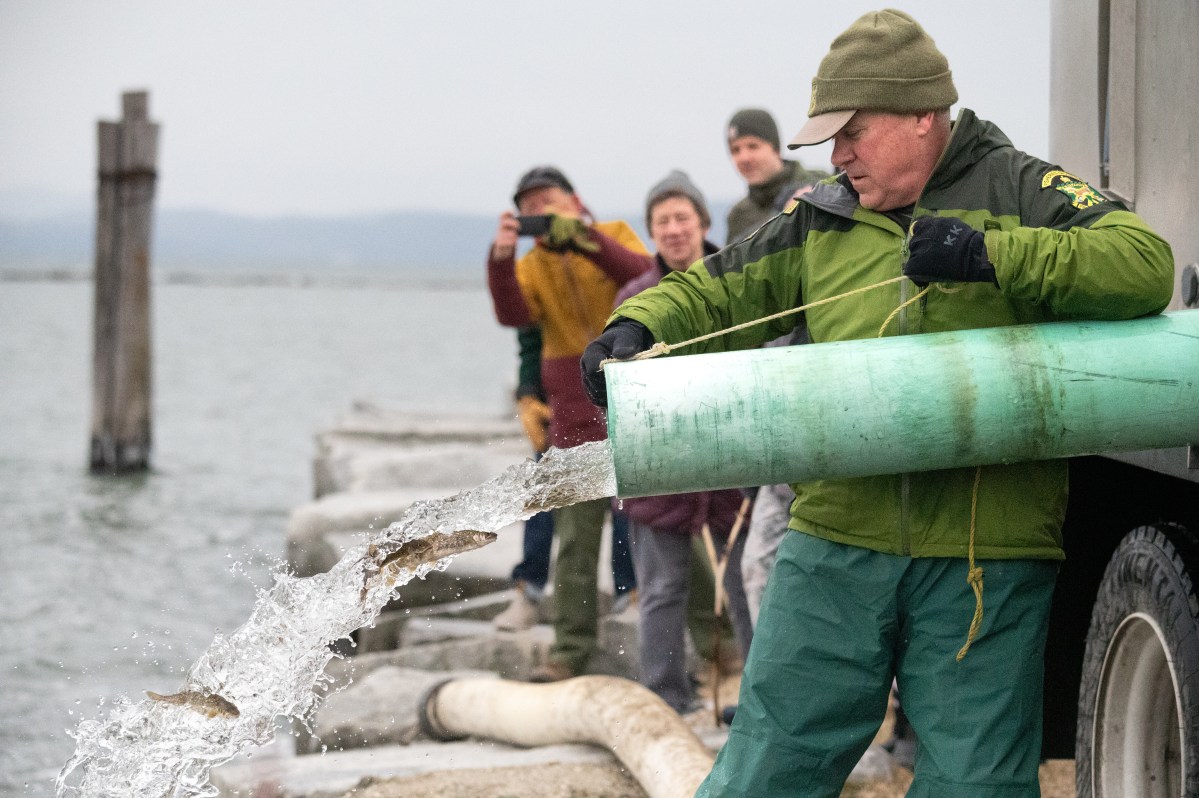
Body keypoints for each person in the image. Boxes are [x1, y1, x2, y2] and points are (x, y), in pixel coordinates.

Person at [581, 9, 1174, 795]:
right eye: (831, 139)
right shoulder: (819, 214)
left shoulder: (1021, 186)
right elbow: (715, 290)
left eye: (852, 131)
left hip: (983, 560)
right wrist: (634, 325)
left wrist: (986, 253)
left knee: (976, 785)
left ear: (922, 115)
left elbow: (1142, 264)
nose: (838, 154)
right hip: (834, 542)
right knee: (765, 770)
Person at [487, 165, 651, 681]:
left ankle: (654, 611)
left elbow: (640, 272)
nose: (540, 212)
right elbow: (514, 315)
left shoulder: (613, 234)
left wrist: (580, 239)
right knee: (576, 540)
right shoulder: (533, 264)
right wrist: (501, 258)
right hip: (573, 409)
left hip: (631, 398)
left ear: (576, 200)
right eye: (529, 207)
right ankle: (569, 648)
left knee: (645, 516)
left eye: (548, 202)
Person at [616, 170, 754, 713]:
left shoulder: (738, 279)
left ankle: (761, 694)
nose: (674, 230)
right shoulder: (631, 300)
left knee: (748, 580)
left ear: (703, 222)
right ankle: (664, 698)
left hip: (735, 456)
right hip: (659, 465)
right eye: (662, 221)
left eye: (682, 218)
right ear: (650, 231)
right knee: (662, 590)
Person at [492, 326, 638, 631]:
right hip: (560, 406)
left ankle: (631, 593)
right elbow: (526, 331)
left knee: (628, 503)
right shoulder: (537, 283)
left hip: (619, 389)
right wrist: (528, 392)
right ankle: (530, 591)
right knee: (543, 502)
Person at [724, 107, 828, 244]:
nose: (744, 158)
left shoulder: (820, 185)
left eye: (753, 146)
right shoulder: (738, 216)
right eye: (735, 150)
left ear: (776, 149)